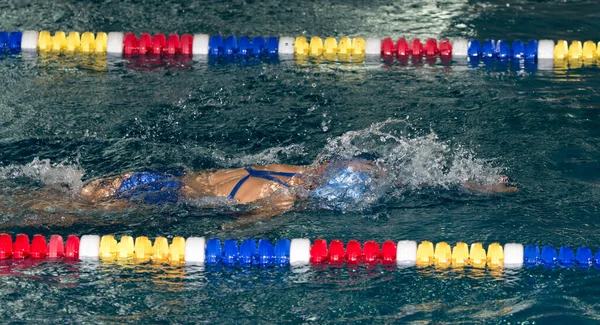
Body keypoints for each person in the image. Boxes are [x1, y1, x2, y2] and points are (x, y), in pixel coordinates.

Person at [77, 158, 518, 228]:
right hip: (156, 195)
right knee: (65, 221)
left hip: (151, 176)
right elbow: (235, 233)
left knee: (66, 198)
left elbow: (403, 176)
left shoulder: (305, 169)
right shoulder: (284, 198)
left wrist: (474, 184)